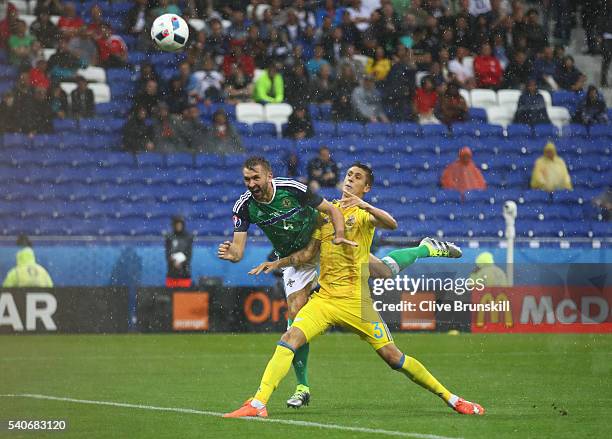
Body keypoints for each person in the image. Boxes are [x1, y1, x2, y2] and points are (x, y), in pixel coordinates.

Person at [223, 162, 484, 418]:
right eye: (348, 174)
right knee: (290, 336)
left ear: (366, 187)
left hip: (357, 302)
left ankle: (453, 398)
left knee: (394, 357)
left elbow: (392, 224)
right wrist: (277, 263)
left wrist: (365, 205)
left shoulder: (365, 214)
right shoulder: (325, 213)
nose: (349, 178)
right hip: (325, 299)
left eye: (356, 177)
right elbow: (307, 254)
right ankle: (260, 402)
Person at [218, 156, 349, 408]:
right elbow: (238, 252)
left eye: (256, 177)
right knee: (296, 316)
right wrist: (230, 254)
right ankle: (302, 387)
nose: (251, 183)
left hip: (322, 237)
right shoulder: (243, 207)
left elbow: (331, 210)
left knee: (377, 269)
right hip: (294, 259)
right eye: (247, 179)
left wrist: (339, 235)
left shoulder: (292, 188)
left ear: (269, 175)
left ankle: (423, 250)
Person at [165, 216, 193, 288]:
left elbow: (189, 254)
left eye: (180, 224)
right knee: (171, 296)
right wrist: (173, 261)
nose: (178, 226)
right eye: (177, 224)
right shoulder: (169, 237)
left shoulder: (188, 237)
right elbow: (167, 254)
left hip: (185, 272)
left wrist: (182, 262)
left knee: (184, 297)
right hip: (171, 273)